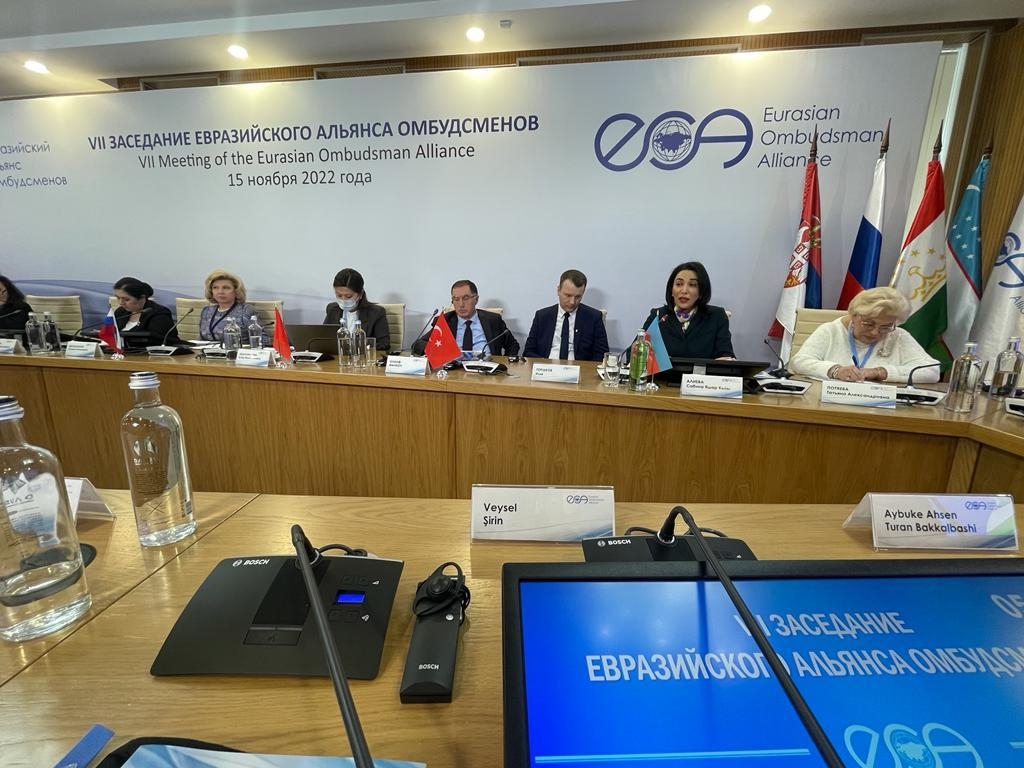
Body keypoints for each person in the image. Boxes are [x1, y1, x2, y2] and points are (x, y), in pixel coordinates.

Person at [790, 286, 940, 384]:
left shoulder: (898, 336)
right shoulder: (831, 331)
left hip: (880, 410)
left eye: (885, 326)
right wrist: (836, 370)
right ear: (853, 315)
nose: (875, 332)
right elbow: (799, 362)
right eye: (869, 324)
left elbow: (932, 371)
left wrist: (880, 372)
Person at [642, 261, 734, 359]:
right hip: (664, 370)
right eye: (679, 284)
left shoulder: (716, 317)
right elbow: (634, 352)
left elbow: (725, 356)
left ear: (701, 292)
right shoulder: (658, 316)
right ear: (671, 290)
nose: (684, 290)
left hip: (701, 370)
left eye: (692, 285)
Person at [412, 279, 520, 357]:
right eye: (456, 299)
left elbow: (512, 345)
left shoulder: (493, 320)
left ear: (476, 299)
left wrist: (504, 364)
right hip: (454, 372)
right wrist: (438, 351)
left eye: (466, 298)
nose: (461, 304)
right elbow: (417, 345)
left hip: (487, 371)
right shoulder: (446, 321)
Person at [523, 269, 609, 361]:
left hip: (580, 367)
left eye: (578, 297)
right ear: (558, 290)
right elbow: (528, 352)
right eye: (568, 295)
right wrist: (545, 364)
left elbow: (602, 355)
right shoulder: (542, 316)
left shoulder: (593, 317)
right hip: (546, 366)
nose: (572, 302)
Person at [323, 268, 391, 353]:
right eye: (339, 295)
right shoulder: (332, 309)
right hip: (337, 359)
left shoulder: (376, 313)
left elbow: (384, 344)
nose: (343, 300)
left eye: (348, 296)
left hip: (363, 359)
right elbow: (323, 339)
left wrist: (355, 345)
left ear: (360, 294)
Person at [198, 269, 266, 343]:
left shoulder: (246, 310)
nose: (220, 292)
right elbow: (201, 339)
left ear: (236, 291)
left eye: (226, 288)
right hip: (208, 350)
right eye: (215, 288)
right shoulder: (207, 311)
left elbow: (264, 340)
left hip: (237, 350)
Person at [113, 277, 178, 344]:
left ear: (142, 298)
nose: (121, 303)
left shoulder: (159, 314)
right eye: (118, 298)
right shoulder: (120, 312)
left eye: (126, 299)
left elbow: (157, 340)